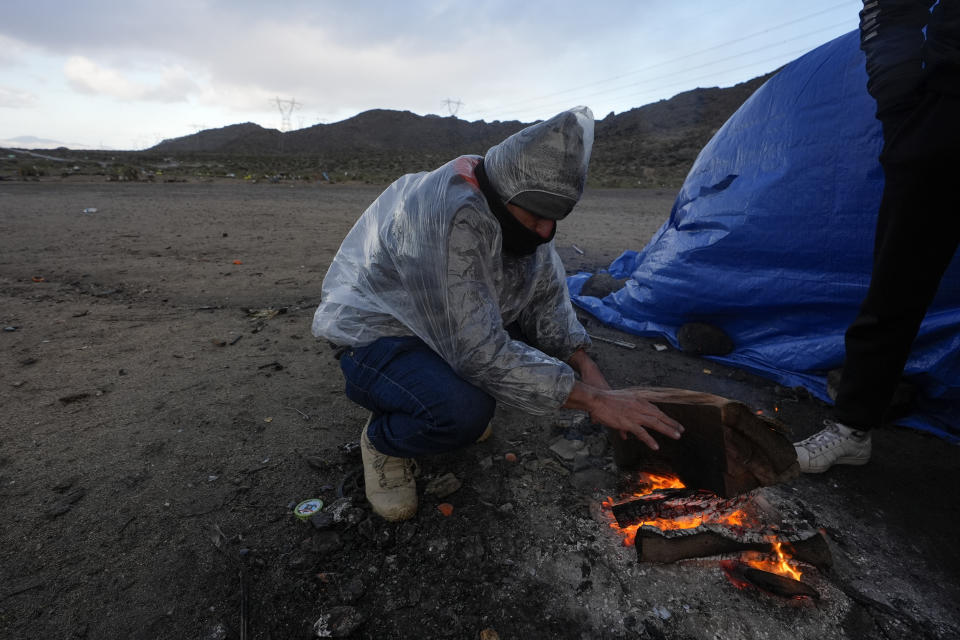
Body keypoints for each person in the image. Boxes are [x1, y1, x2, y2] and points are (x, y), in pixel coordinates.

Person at [313, 107, 684, 520]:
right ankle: (383, 442)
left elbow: (547, 298)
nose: (545, 231)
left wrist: (585, 366)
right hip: (380, 334)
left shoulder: (516, 198)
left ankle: (434, 394)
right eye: (537, 217)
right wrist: (593, 401)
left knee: (529, 349)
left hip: (449, 325)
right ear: (503, 199)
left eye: (554, 220)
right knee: (462, 413)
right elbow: (479, 351)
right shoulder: (450, 216)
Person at [794, 0, 960, 473]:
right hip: (941, 111)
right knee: (898, 278)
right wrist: (900, 108)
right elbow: (885, 14)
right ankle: (851, 428)